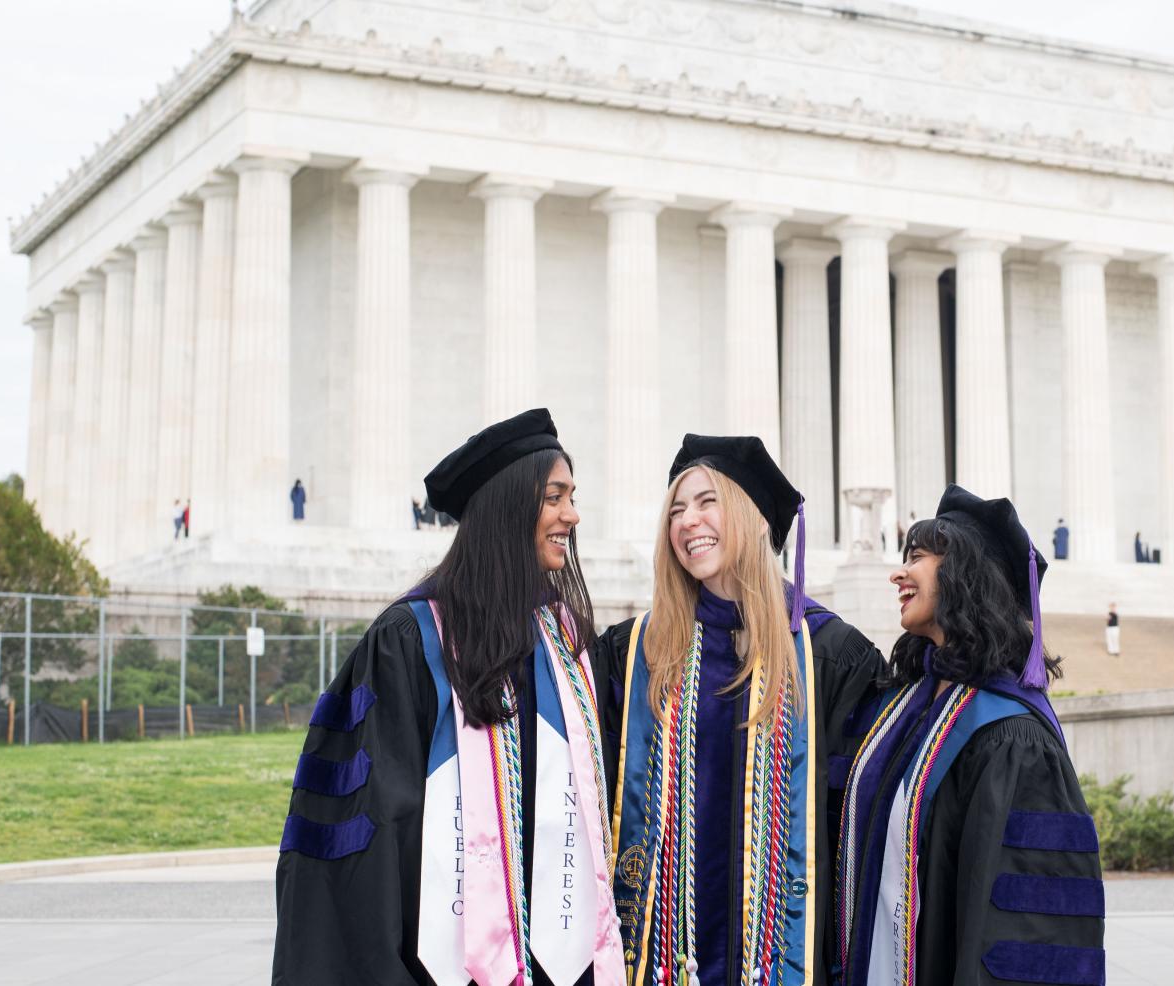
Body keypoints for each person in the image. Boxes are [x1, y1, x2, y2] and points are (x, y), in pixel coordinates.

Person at [273, 409, 622, 986]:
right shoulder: (411, 642)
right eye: (555, 497)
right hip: (433, 964)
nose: (572, 515)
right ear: (511, 507)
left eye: (572, 497)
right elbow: (365, 835)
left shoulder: (563, 642)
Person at [595, 434, 882, 986]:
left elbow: (858, 826)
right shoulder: (634, 655)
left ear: (750, 517)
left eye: (707, 502)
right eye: (676, 509)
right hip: (657, 960)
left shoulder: (829, 656)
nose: (687, 521)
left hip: (786, 960)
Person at [837, 484, 1104, 986]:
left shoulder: (1013, 738)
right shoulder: (912, 709)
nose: (898, 573)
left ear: (965, 575)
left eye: (916, 557)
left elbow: (1027, 935)